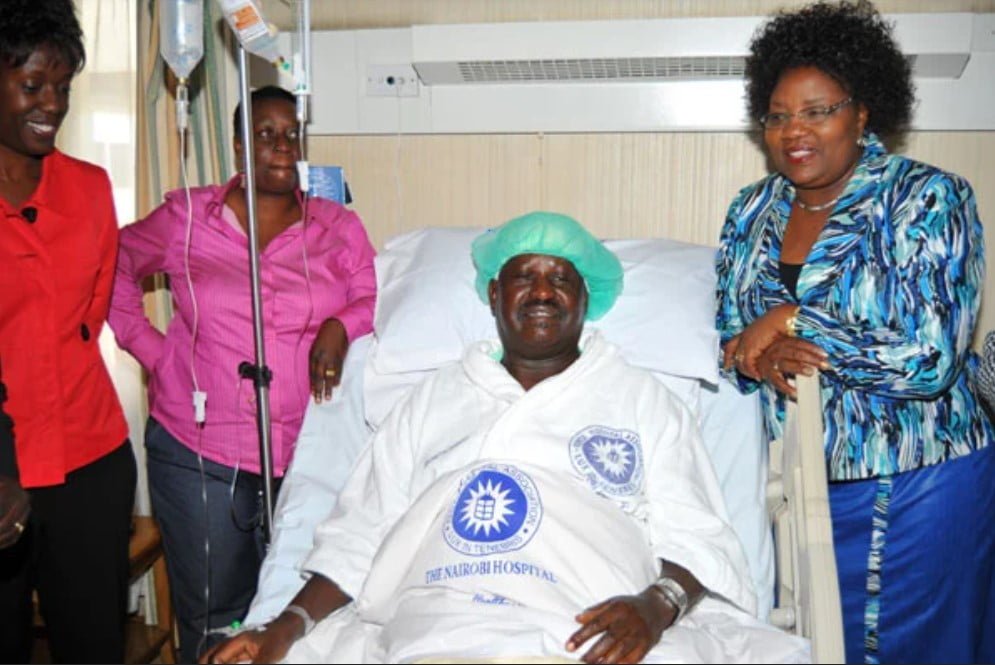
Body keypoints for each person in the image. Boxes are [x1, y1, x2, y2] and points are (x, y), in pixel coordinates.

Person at [204, 211, 807, 665]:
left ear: (583, 300)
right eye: (523, 277)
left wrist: (653, 608)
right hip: (436, 626)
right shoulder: (436, 397)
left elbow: (696, 532)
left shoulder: (640, 397)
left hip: (586, 627)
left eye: (559, 279)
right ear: (494, 296)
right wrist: (283, 628)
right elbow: (361, 530)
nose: (542, 291)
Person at [715, 2, 995, 662]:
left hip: (920, 480)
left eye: (818, 110)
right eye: (778, 115)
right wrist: (755, 352)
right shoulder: (750, 211)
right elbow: (731, 340)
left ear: (862, 111)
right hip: (801, 480)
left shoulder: (926, 198)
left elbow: (926, 359)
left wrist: (793, 319)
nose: (794, 131)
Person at [109, 85, 377, 662]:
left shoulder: (336, 227)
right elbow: (113, 265)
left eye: (291, 134)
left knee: (291, 613)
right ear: (237, 146)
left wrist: (341, 322)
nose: (282, 147)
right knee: (213, 613)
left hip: (307, 454)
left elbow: (374, 298)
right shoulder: (186, 218)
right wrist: (154, 353)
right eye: (264, 135)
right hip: (199, 451)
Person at [0, 1, 138, 662]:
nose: (50, 104)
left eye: (63, 88)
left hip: (91, 461)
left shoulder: (88, 189)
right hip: (2, 468)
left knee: (93, 645)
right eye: (32, 85)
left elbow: (92, 311)